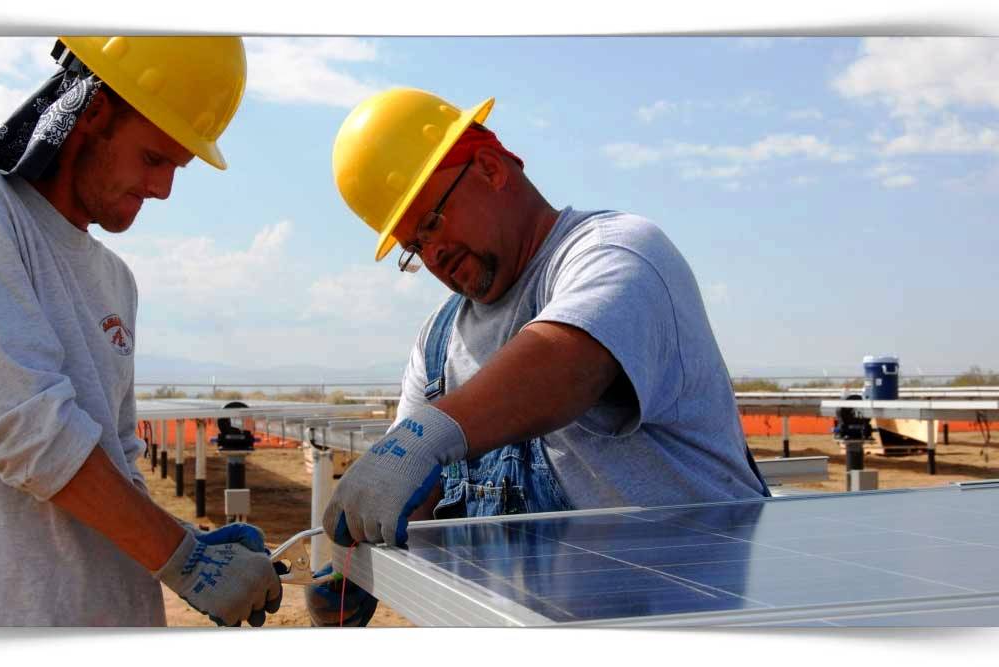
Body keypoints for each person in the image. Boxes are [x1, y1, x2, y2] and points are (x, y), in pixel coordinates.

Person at [309, 87, 770, 626]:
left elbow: (566, 364)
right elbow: (411, 489)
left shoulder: (617, 252)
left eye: (431, 222)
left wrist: (424, 438)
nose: (433, 255)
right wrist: (357, 561)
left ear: (488, 167)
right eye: (414, 247)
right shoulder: (437, 345)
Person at [0, 36, 282, 627]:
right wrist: (183, 557)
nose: (163, 189)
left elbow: (117, 459)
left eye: (177, 167)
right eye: (153, 159)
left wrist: (186, 540)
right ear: (92, 112)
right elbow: (25, 429)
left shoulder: (115, 281)